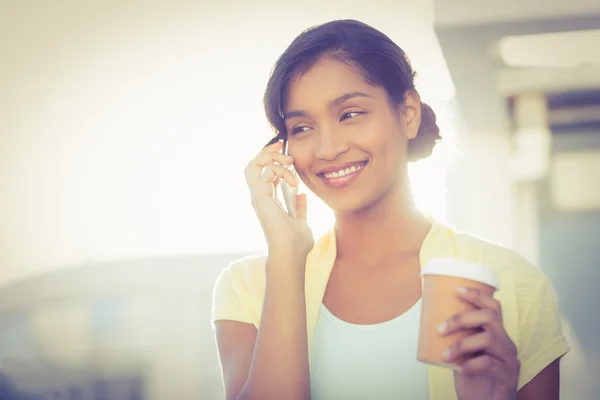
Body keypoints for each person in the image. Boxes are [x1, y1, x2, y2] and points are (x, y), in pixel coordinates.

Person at [212, 19, 570, 400]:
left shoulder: (513, 285)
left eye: (350, 114)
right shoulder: (248, 287)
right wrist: (285, 256)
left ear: (408, 114)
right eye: (301, 128)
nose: (327, 149)